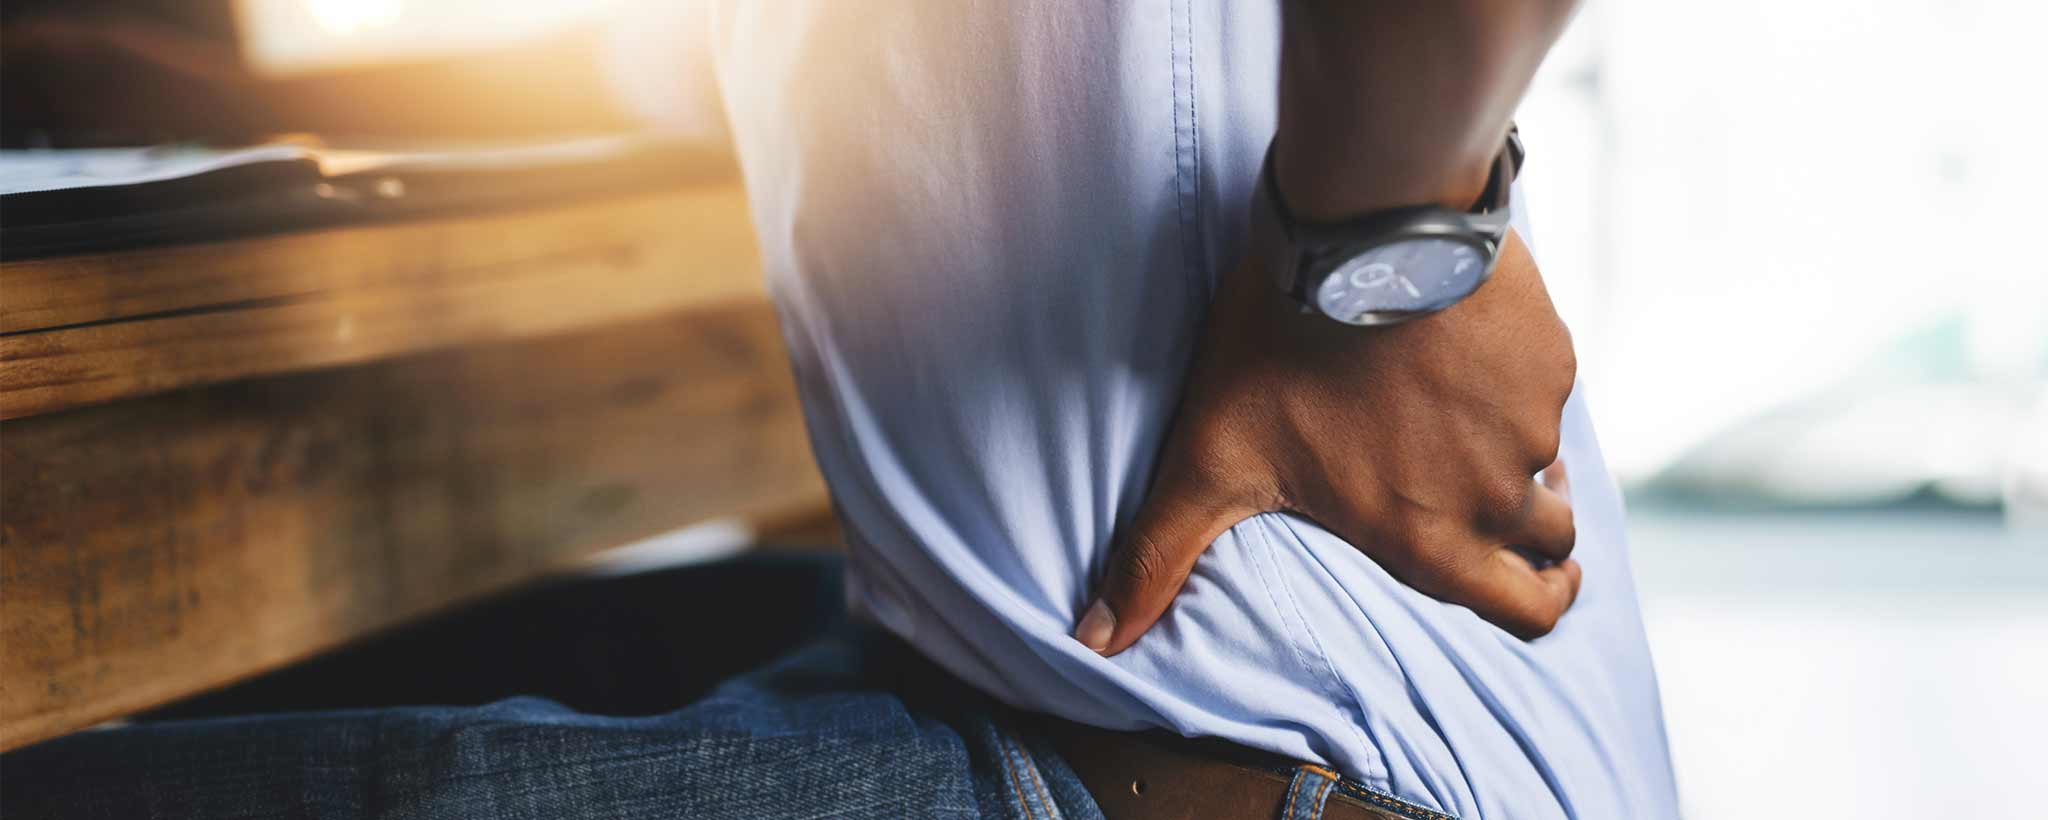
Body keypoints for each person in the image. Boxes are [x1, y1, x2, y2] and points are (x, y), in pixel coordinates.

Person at [3, 2, 1680, 818]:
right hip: (1006, 686)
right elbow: (652, 64)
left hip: (1231, 771)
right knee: (374, 658)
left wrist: (1381, 234)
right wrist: (244, 85)